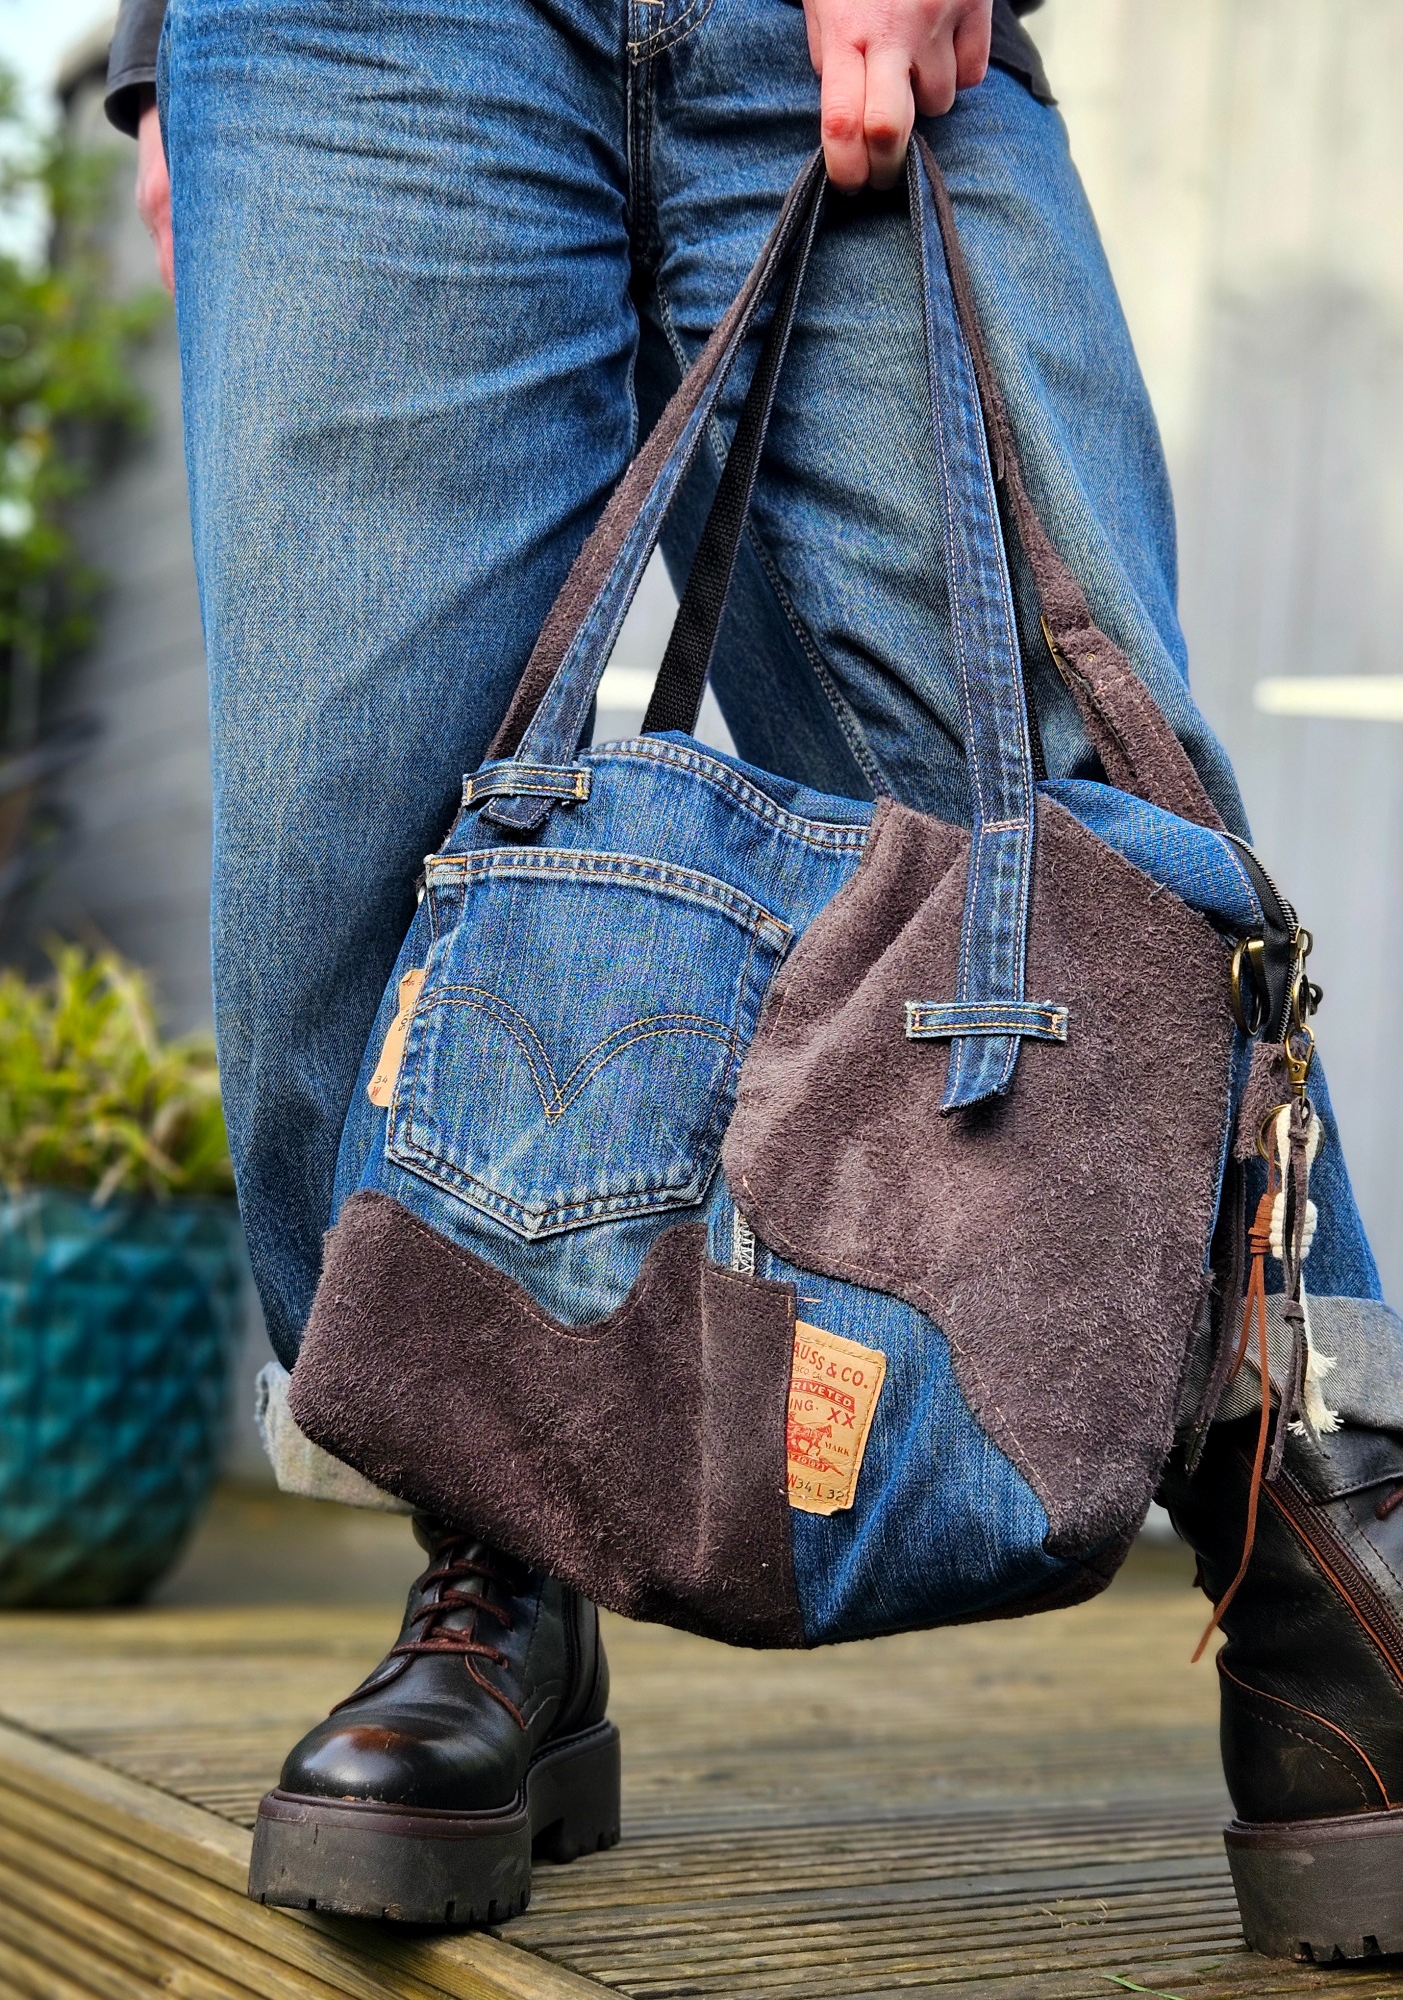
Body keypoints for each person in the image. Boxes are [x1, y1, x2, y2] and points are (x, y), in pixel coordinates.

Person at [105, 0, 1403, 1958]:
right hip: (357, 35)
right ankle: (497, 1561)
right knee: (352, 829)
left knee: (1068, 781)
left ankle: (1322, 1545)